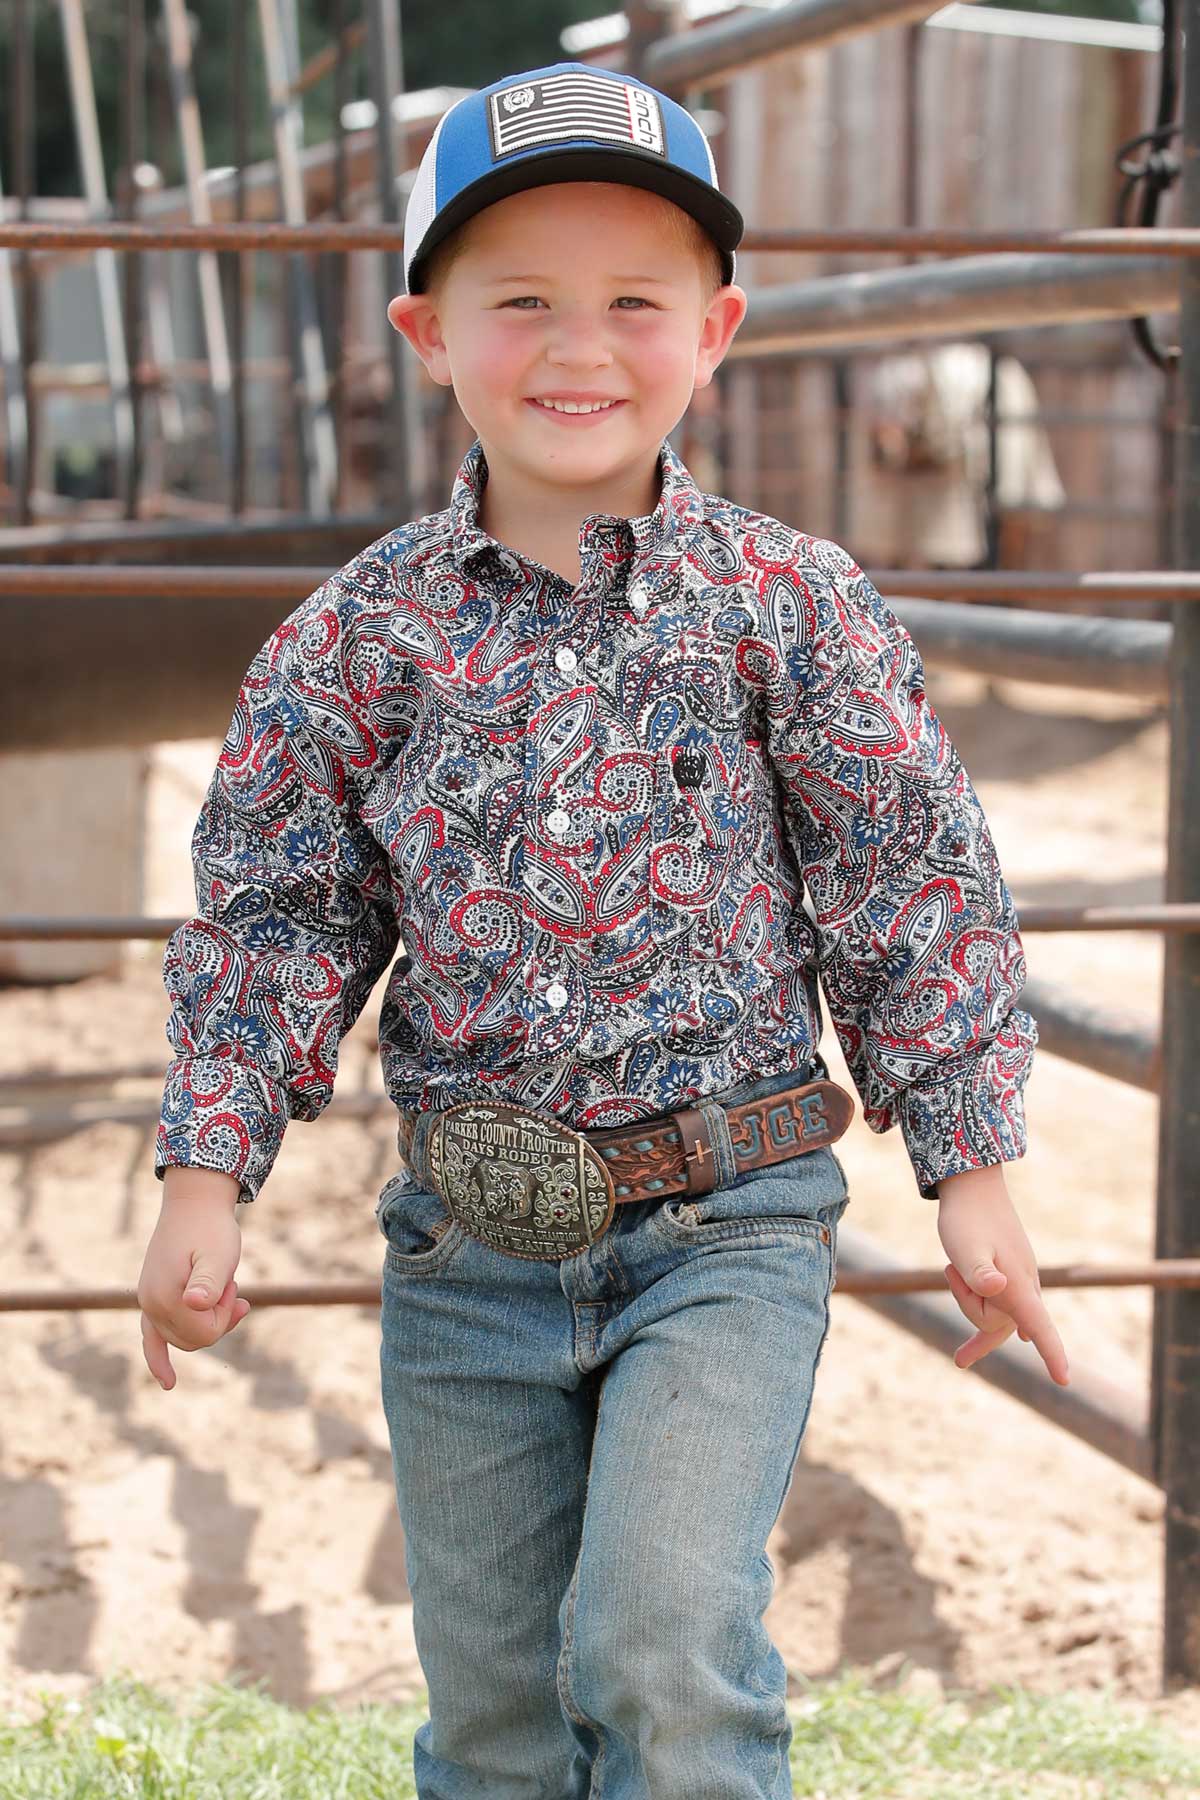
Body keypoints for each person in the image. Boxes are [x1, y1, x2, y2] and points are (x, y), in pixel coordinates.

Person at [137, 60, 1069, 1799]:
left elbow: (907, 875)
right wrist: (208, 1169)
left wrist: (973, 1166)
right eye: (522, 303)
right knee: (496, 1710)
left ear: (715, 332)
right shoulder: (359, 640)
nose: (580, 347)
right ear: (428, 336)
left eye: (634, 302)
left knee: (658, 1633)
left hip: (730, 1224)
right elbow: (277, 910)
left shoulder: (788, 604)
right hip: (470, 1252)